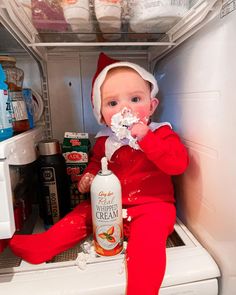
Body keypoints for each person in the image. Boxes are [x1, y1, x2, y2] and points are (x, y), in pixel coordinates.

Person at [9, 53, 189, 295]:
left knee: (147, 243)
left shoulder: (161, 134)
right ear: (101, 115)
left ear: (152, 105)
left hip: (152, 207)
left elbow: (177, 165)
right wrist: (89, 176)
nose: (125, 108)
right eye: (112, 103)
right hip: (110, 207)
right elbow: (96, 163)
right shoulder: (105, 141)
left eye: (135, 99)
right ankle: (44, 245)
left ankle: (142, 290)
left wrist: (147, 138)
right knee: (80, 215)